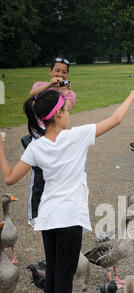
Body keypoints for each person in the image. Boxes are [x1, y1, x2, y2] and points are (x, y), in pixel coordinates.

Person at [0, 86, 134, 293]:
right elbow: (116, 119)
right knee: (63, 274)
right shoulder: (75, 136)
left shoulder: (36, 146)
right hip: (69, 218)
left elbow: (9, 178)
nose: (69, 114)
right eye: (66, 110)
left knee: (54, 272)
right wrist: (131, 97)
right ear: (56, 115)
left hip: (49, 217)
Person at [27, 58, 76, 227]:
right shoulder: (41, 85)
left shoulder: (69, 93)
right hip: (39, 137)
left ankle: (53, 209)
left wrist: (66, 94)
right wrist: (50, 85)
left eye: (64, 72)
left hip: (56, 139)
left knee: (55, 175)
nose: (60, 74)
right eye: (57, 71)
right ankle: (33, 214)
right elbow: (32, 95)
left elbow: (67, 109)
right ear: (50, 72)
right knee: (38, 176)